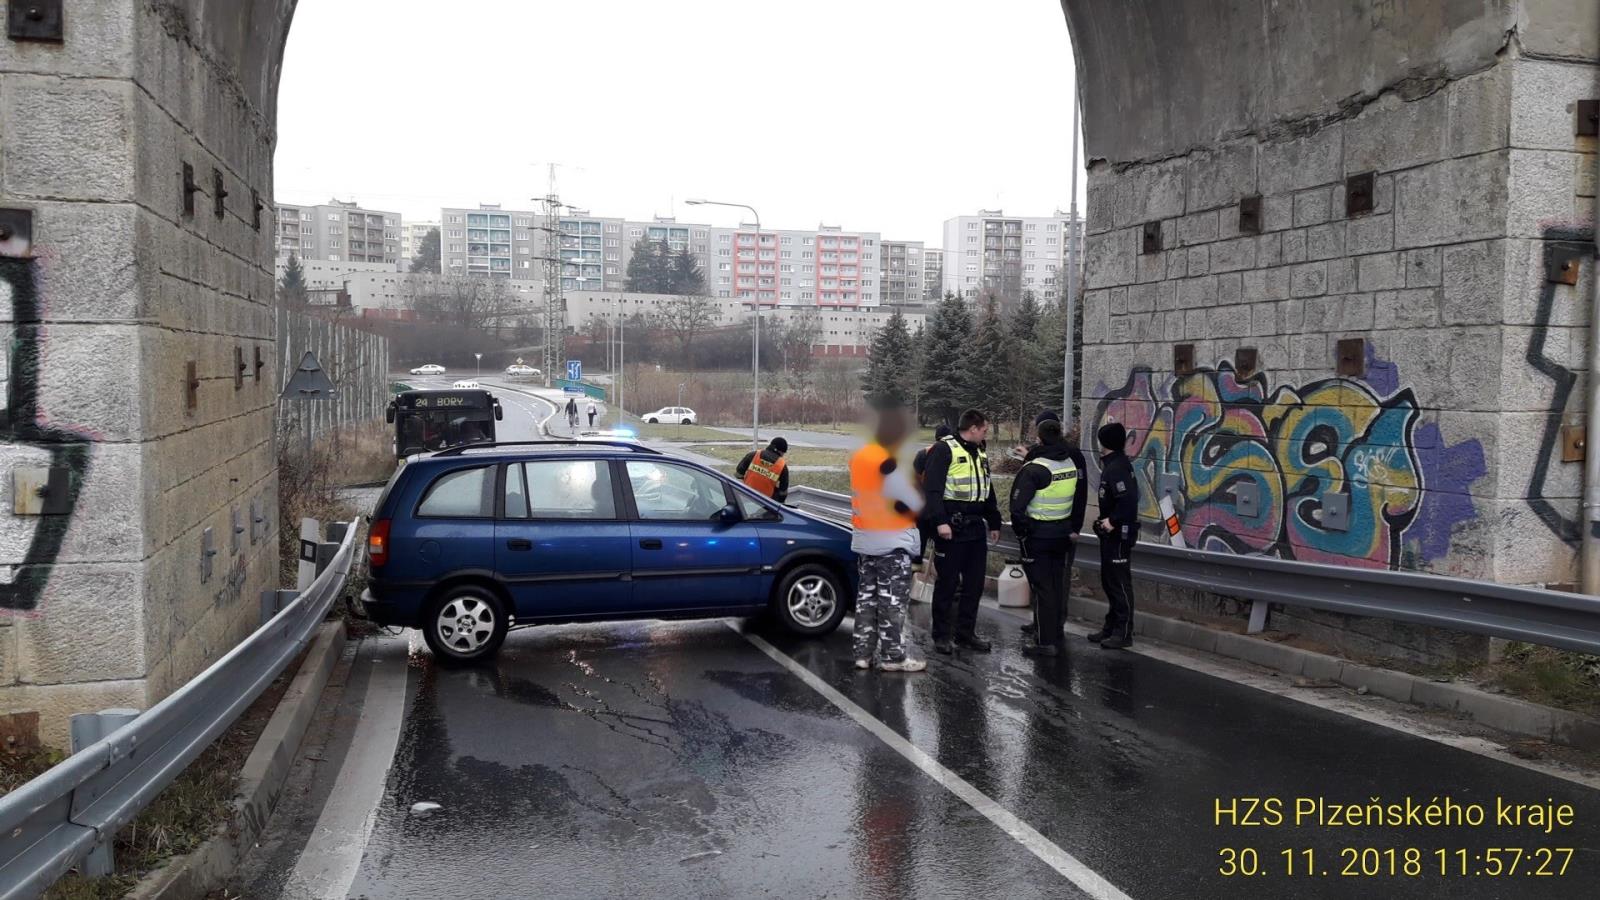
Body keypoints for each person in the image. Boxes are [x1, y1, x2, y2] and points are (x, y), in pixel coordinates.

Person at [849, 406, 926, 673]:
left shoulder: (861, 459)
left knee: (866, 599)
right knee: (891, 601)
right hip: (891, 544)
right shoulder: (888, 463)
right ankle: (894, 657)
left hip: (865, 541)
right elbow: (911, 501)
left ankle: (862, 654)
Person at [921, 408, 1002, 655]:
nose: (986, 433)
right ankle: (942, 636)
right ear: (973, 428)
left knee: (974, 585)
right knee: (947, 585)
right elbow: (932, 490)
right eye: (985, 429)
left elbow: (986, 488)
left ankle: (966, 633)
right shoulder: (944, 450)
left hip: (975, 527)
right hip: (951, 528)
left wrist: (995, 520)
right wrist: (940, 522)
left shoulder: (979, 451)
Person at [1009, 416, 1088, 656]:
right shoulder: (1070, 463)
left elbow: (1017, 507)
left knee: (1042, 589)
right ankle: (1053, 633)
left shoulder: (1035, 468)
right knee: (1054, 587)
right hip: (1062, 534)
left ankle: (1044, 642)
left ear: (1039, 438)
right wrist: (1073, 526)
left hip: (1039, 536)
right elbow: (1078, 496)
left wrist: (1023, 532)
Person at [1092, 421, 1140, 650]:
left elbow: (1128, 501)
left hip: (1119, 534)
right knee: (1110, 581)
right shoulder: (1112, 464)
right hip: (1110, 534)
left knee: (1119, 583)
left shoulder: (1117, 467)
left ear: (1104, 443)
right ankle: (1111, 626)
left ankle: (1123, 632)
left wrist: (1112, 521)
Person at [911, 424, 955, 564]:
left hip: (923, 506)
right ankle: (938, 571)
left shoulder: (923, 453)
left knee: (919, 544)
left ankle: (916, 570)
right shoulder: (952, 452)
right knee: (942, 549)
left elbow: (914, 478)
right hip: (942, 507)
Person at [737, 437, 790, 502]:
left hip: (746, 496)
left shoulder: (753, 455)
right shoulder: (782, 466)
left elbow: (738, 474)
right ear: (780, 451)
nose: (782, 455)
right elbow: (783, 492)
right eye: (783, 453)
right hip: (764, 504)